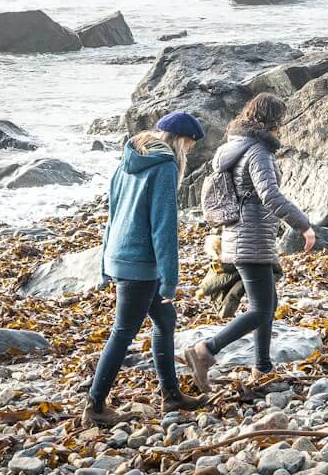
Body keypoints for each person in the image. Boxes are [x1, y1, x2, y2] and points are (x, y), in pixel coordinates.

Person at [181, 94, 315, 390]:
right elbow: (270, 196)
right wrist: (304, 225)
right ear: (272, 121)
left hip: (239, 235)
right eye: (280, 121)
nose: (282, 127)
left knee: (268, 303)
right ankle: (206, 350)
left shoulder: (233, 147)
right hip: (251, 237)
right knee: (260, 309)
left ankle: (262, 367)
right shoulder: (258, 152)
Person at [83, 111, 204, 427]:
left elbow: (111, 215)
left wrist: (105, 263)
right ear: (179, 141)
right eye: (189, 146)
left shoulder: (126, 161)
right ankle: (95, 405)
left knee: (165, 320)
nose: (188, 153)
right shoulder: (164, 167)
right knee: (122, 333)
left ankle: (171, 394)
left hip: (120, 257)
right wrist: (170, 280)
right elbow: (163, 228)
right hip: (140, 264)